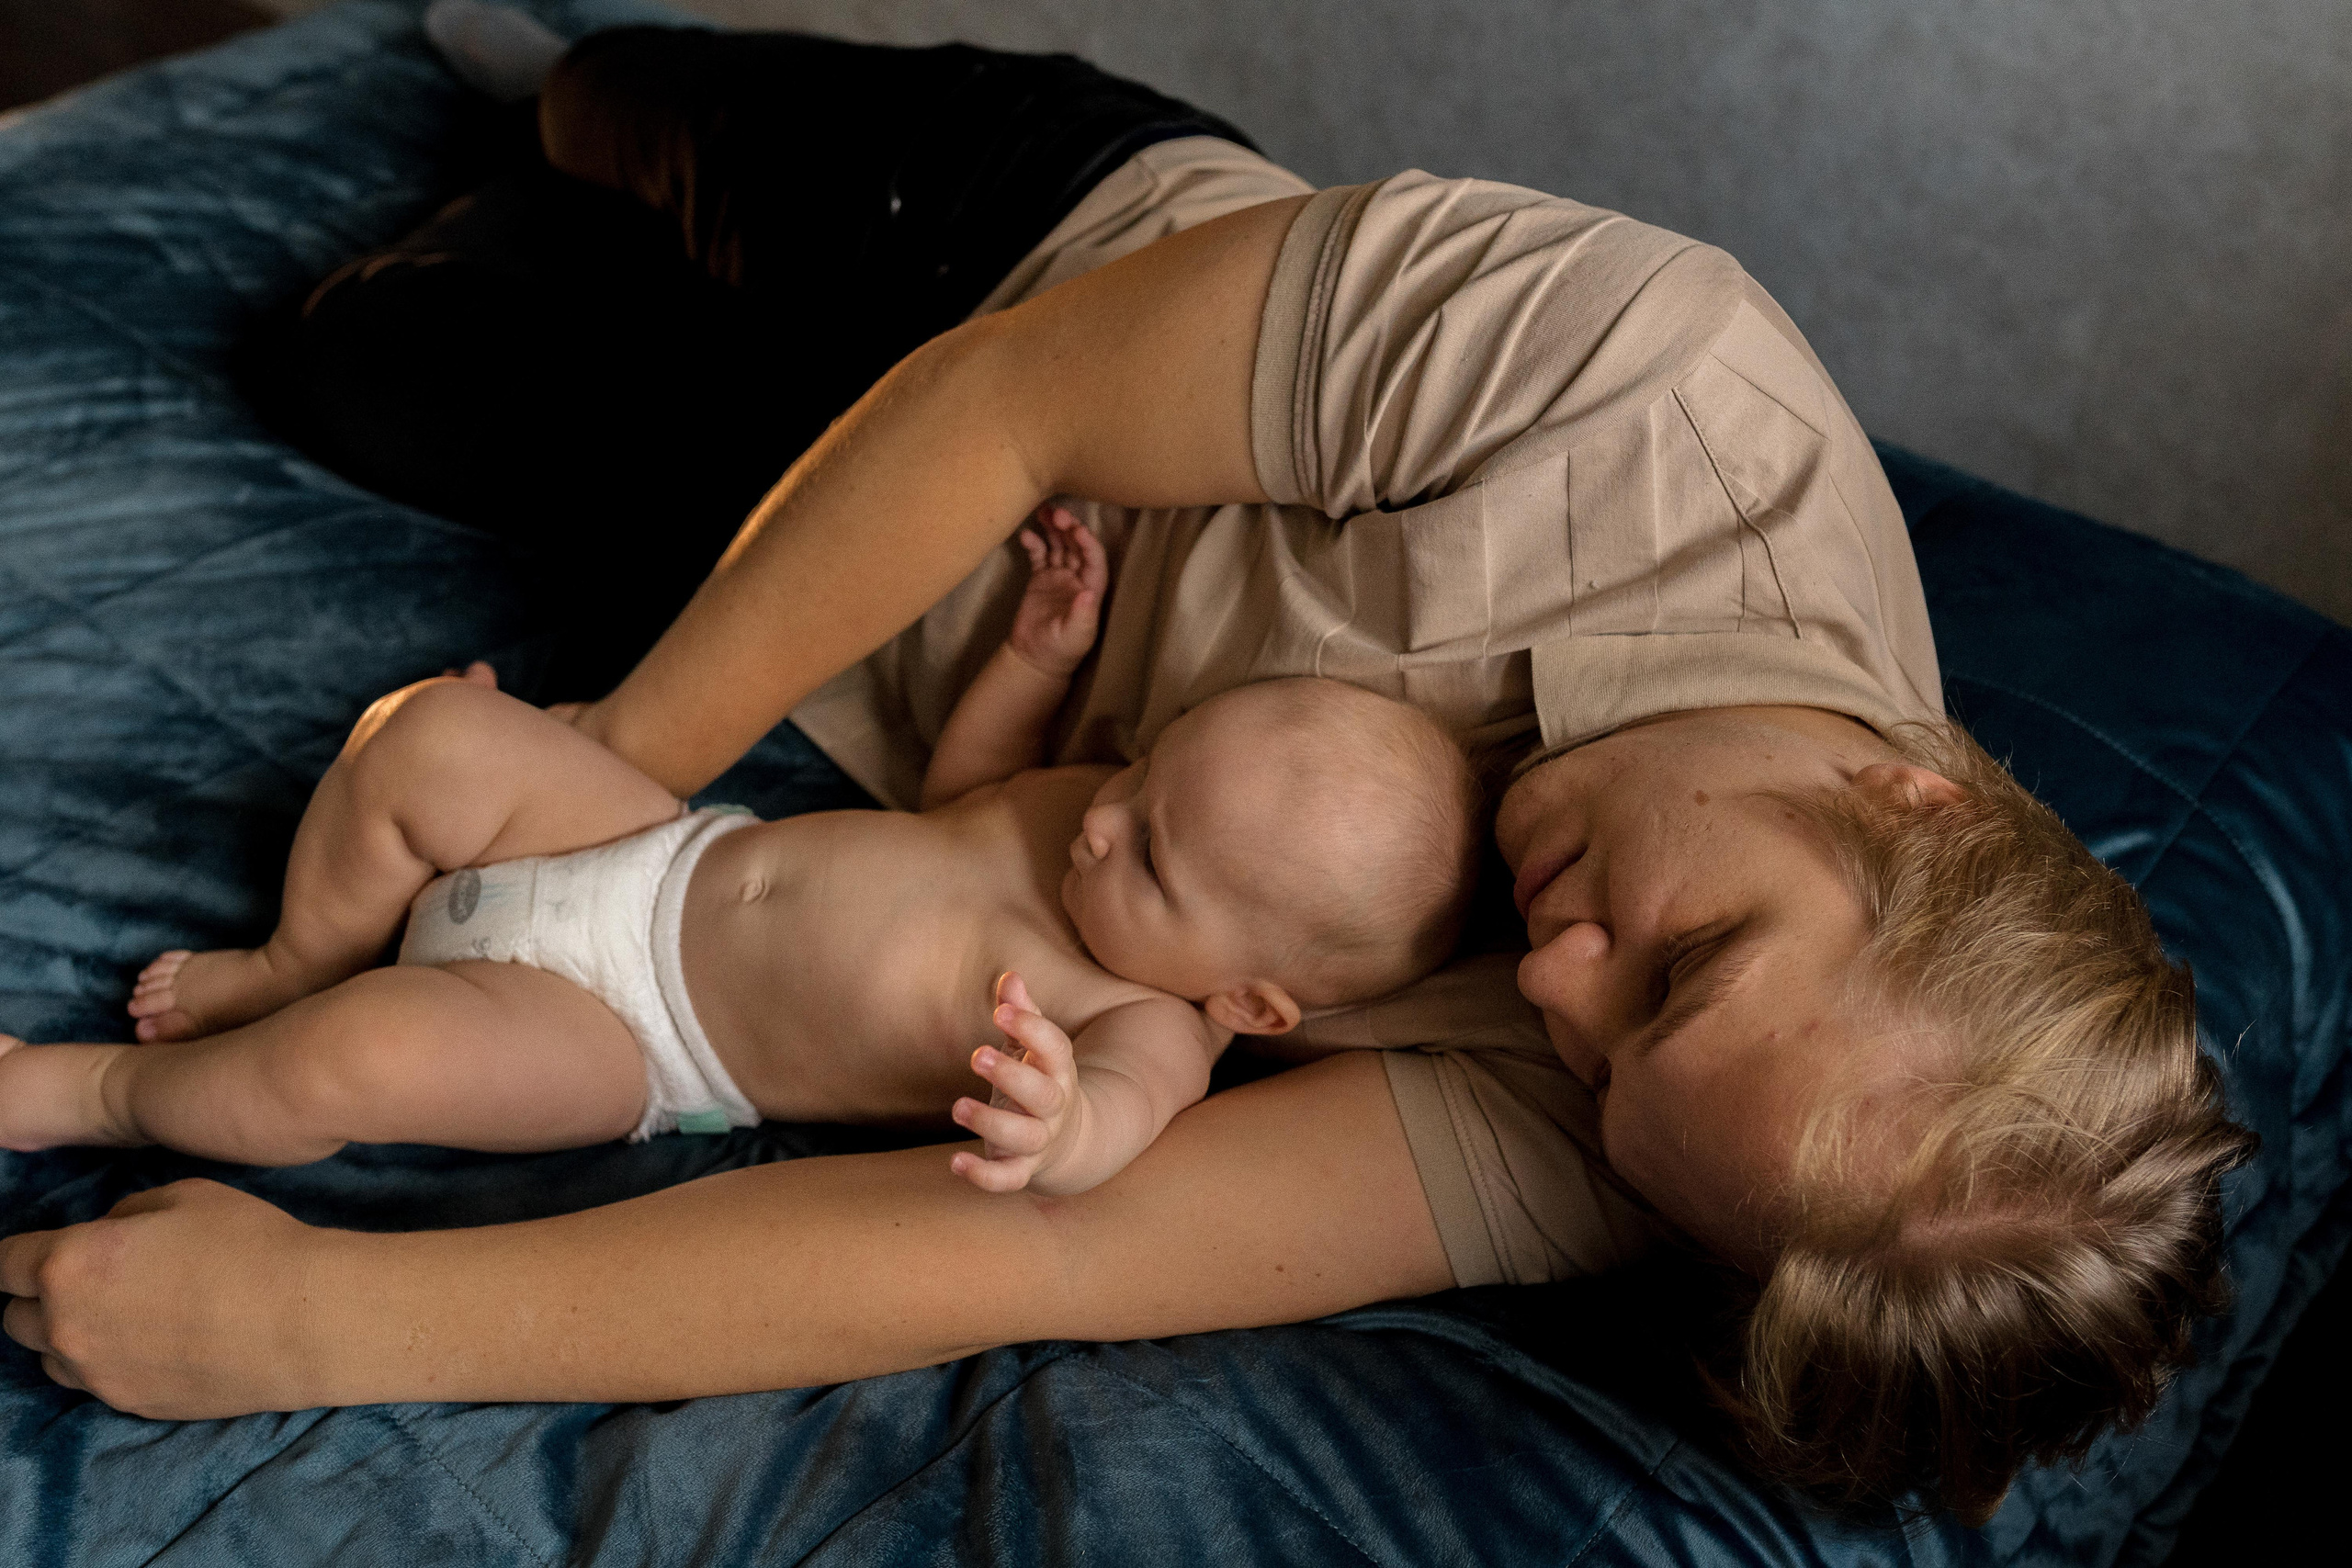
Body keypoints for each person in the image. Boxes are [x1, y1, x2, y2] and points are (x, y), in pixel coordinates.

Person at [0, 8, 2253, 1528]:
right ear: (1917, 794)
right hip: (1003, 283)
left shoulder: (1675, 1129)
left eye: (1610, 1078)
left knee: (369, 372)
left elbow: (1020, 1258)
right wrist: (606, 772)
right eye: (1670, 961)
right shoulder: (1643, 385)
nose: (1551, 997)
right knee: (612, 111)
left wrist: (331, 1313)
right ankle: (586, 75)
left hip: (929, 696)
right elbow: (1003, 413)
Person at [0, 507, 1478, 1197]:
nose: (1101, 817)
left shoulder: (1140, 1025)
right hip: (657, 850)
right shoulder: (1088, 816)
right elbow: (962, 792)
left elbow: (1119, 1131)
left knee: (355, 1066)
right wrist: (1035, 659)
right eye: (1143, 775)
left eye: (1150, 855)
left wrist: (1056, 1127)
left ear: (1254, 1003)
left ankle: (103, 1093)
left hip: (640, 1040)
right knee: (419, 742)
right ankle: (285, 960)